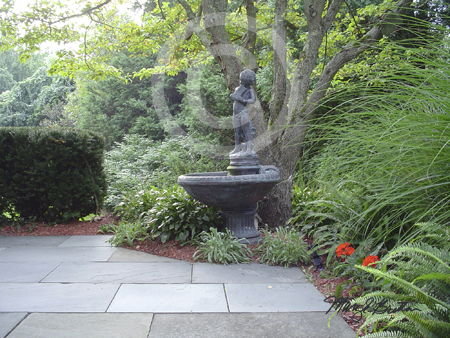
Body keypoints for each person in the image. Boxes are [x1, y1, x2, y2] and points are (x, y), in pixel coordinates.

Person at [230, 69, 256, 155]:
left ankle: (249, 148)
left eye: (242, 80)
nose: (240, 82)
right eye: (240, 80)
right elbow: (234, 98)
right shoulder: (237, 88)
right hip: (235, 112)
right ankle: (237, 147)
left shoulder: (249, 90)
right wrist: (232, 97)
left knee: (246, 130)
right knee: (236, 130)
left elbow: (253, 100)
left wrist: (243, 100)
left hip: (243, 112)